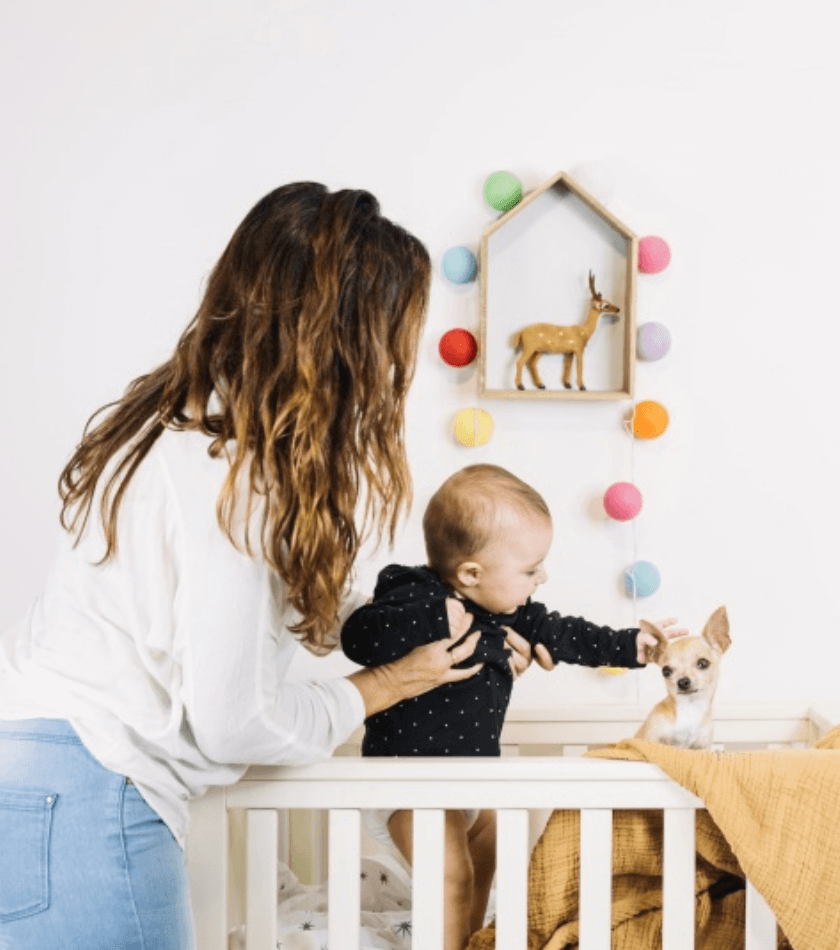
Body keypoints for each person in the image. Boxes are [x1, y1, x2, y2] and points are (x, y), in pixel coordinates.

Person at [0, 184, 539, 950]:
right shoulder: (238, 480)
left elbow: (294, 602)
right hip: (90, 792)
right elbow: (234, 722)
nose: (398, 364)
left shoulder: (180, 433)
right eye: (392, 337)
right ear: (342, 340)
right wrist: (390, 683)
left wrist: (451, 630)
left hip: (35, 771)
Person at [341, 463, 685, 950]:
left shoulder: (514, 614)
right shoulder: (412, 592)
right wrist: (432, 618)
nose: (542, 576)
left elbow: (572, 635)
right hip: (411, 780)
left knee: (492, 843)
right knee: (450, 875)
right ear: (471, 573)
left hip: (471, 782)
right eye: (529, 569)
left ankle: (468, 939)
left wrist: (633, 647)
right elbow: (360, 636)